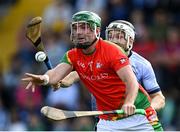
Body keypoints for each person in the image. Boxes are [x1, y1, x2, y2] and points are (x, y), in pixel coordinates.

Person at [22, 11, 162, 131]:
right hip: (108, 121)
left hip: (139, 117)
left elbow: (131, 81)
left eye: (84, 28)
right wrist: (45, 79)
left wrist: (129, 103)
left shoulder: (112, 51)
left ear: (96, 31)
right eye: (75, 28)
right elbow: (56, 74)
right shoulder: (73, 55)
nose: (79, 32)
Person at [62, 20, 165, 111]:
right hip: (104, 120)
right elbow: (78, 73)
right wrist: (64, 79)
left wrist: (148, 109)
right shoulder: (96, 57)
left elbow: (159, 98)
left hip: (134, 120)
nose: (113, 41)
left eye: (119, 37)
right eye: (110, 36)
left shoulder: (142, 65)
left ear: (130, 41)